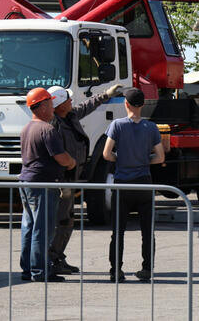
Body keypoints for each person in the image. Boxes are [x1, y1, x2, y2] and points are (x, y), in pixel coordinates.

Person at [46, 83, 122, 274]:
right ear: (60, 104)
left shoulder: (69, 116)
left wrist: (106, 94)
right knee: (60, 221)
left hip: (71, 179)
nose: (72, 101)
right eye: (68, 99)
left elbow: (88, 105)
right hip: (60, 181)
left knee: (68, 220)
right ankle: (51, 258)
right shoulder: (53, 124)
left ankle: (57, 256)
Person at [102, 87, 164, 283]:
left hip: (123, 183)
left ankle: (116, 270)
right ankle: (147, 268)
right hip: (144, 182)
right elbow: (160, 157)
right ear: (143, 105)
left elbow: (106, 153)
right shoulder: (151, 127)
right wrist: (144, 161)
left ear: (125, 104)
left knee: (118, 231)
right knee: (147, 230)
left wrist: (120, 159)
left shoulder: (117, 125)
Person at [19, 87, 76, 282]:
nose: (53, 107)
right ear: (42, 106)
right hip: (43, 185)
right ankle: (40, 270)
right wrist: (72, 162)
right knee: (42, 229)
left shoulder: (27, 128)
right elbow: (61, 158)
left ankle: (28, 269)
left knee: (29, 227)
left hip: (27, 183)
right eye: (50, 103)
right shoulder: (47, 129)